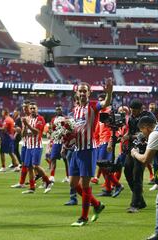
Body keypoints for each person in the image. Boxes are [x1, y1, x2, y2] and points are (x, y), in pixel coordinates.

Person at [69, 79, 112, 226]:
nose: (82, 93)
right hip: (76, 150)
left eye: (84, 91)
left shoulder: (93, 106)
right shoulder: (75, 110)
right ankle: (97, 204)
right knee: (73, 183)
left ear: (89, 93)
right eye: (80, 91)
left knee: (85, 184)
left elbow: (105, 103)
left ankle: (84, 217)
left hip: (88, 149)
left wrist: (109, 92)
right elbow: (74, 129)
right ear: (76, 92)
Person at [124, 99, 155, 213]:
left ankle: (135, 204)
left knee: (137, 174)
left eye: (134, 111)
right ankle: (140, 200)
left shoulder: (148, 117)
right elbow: (131, 132)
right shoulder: (131, 118)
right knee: (127, 171)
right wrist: (125, 136)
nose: (132, 113)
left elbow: (150, 132)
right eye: (131, 111)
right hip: (132, 148)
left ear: (141, 109)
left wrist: (131, 136)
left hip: (144, 148)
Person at [21, 102, 52, 194]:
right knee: (29, 167)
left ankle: (48, 181)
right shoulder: (27, 119)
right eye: (31, 108)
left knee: (35, 166)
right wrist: (24, 126)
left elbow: (36, 132)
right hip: (29, 146)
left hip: (36, 146)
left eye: (34, 108)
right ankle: (31, 187)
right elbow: (23, 134)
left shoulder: (40, 119)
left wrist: (27, 124)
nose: (32, 110)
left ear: (37, 109)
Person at [11, 100, 31, 189]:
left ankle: (46, 181)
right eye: (23, 107)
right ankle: (22, 183)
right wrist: (19, 130)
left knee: (33, 165)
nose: (24, 108)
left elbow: (37, 132)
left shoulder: (35, 118)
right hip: (25, 144)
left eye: (26, 107)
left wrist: (26, 128)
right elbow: (23, 133)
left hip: (33, 145)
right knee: (25, 164)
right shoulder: (22, 118)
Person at [49, 105, 69, 183]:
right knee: (53, 158)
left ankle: (68, 176)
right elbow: (52, 130)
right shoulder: (53, 119)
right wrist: (51, 139)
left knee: (65, 160)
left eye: (59, 109)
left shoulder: (66, 119)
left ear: (62, 110)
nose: (58, 111)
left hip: (64, 142)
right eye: (57, 109)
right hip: (56, 142)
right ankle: (52, 176)